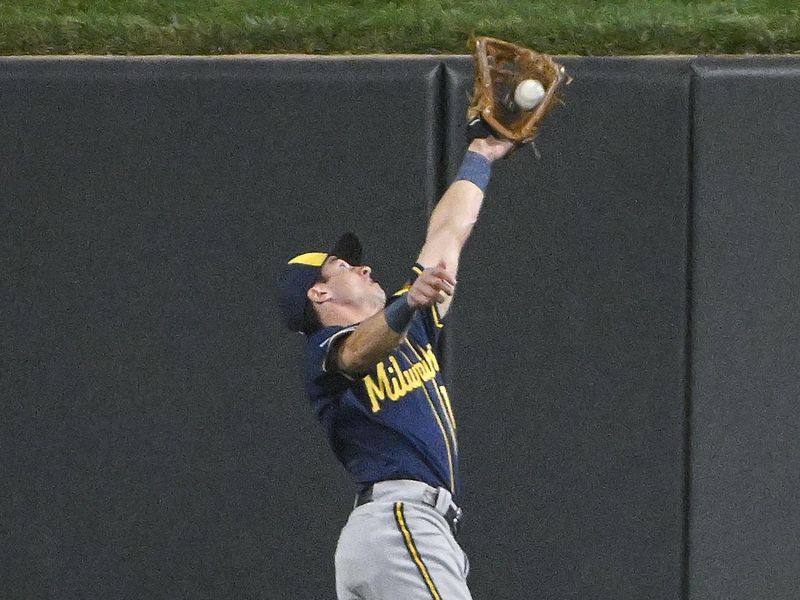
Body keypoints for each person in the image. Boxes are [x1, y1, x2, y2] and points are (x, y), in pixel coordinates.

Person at [277, 132, 514, 599]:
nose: (363, 269)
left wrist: (480, 157)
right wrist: (407, 308)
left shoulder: (413, 324)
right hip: (399, 522)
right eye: (343, 265)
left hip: (398, 534)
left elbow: (448, 233)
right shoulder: (324, 350)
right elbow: (358, 352)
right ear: (318, 293)